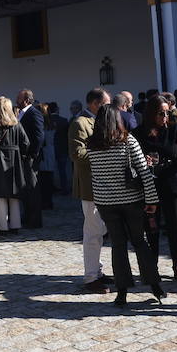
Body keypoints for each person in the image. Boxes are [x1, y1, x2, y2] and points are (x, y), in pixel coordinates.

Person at [84, 103, 161, 307]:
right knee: (140, 242)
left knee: (118, 246)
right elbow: (144, 172)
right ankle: (155, 285)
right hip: (131, 200)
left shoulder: (91, 145)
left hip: (105, 203)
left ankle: (122, 292)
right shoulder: (127, 141)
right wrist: (152, 200)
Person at [136, 96, 177, 281]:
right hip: (149, 185)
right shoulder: (138, 133)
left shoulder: (175, 130)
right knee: (151, 228)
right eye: (161, 113)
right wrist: (144, 160)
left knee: (175, 226)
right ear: (151, 114)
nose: (165, 116)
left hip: (172, 183)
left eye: (168, 112)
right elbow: (132, 158)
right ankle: (152, 267)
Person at [68, 87, 111, 293]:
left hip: (105, 184)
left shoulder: (102, 121)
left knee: (101, 230)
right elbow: (77, 154)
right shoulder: (80, 123)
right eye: (106, 103)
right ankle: (91, 277)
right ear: (95, 104)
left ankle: (98, 270)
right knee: (92, 232)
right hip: (90, 185)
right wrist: (105, 153)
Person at [0, 96, 29, 234]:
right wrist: (20, 156)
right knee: (14, 193)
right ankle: (15, 225)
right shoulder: (17, 124)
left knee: (1, 195)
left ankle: (3, 226)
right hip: (15, 160)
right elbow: (26, 143)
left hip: (0, 160)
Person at [15, 89, 45, 227]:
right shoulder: (22, 113)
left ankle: (34, 220)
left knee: (33, 189)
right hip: (24, 157)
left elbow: (39, 136)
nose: (17, 100)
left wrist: (32, 154)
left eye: (19, 98)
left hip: (31, 158)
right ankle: (27, 217)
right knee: (26, 189)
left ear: (26, 100)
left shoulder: (34, 113)